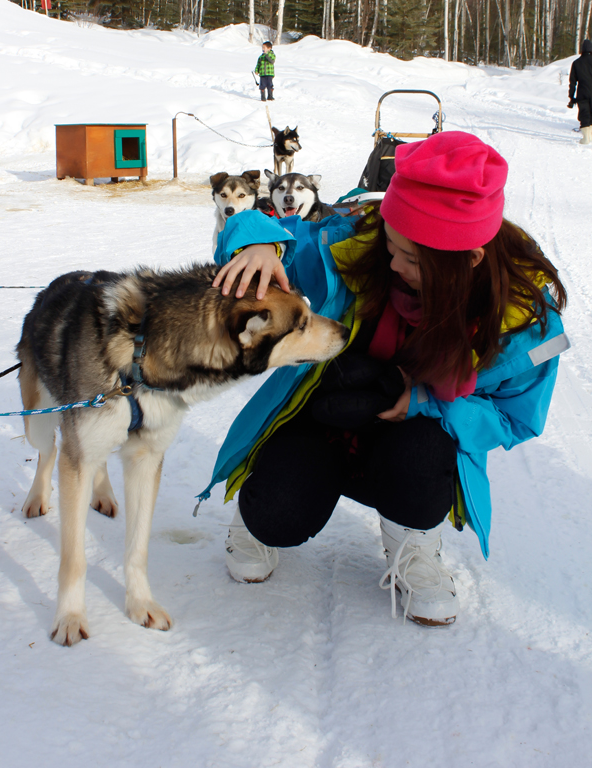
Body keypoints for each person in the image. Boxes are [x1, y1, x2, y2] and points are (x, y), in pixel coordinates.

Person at [199, 131, 569, 626]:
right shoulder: (358, 241)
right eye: (392, 246)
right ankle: (256, 520)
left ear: (469, 259)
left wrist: (422, 400)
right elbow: (271, 235)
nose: (393, 264)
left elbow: (513, 417)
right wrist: (259, 241)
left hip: (413, 434)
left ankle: (413, 543)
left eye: (412, 260)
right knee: (278, 513)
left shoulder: (525, 321)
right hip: (324, 414)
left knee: (424, 456)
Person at [568, 38, 592, 144]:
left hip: (582, 92)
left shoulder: (576, 63)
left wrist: (571, 97)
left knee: (584, 114)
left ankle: (586, 138)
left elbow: (573, 82)